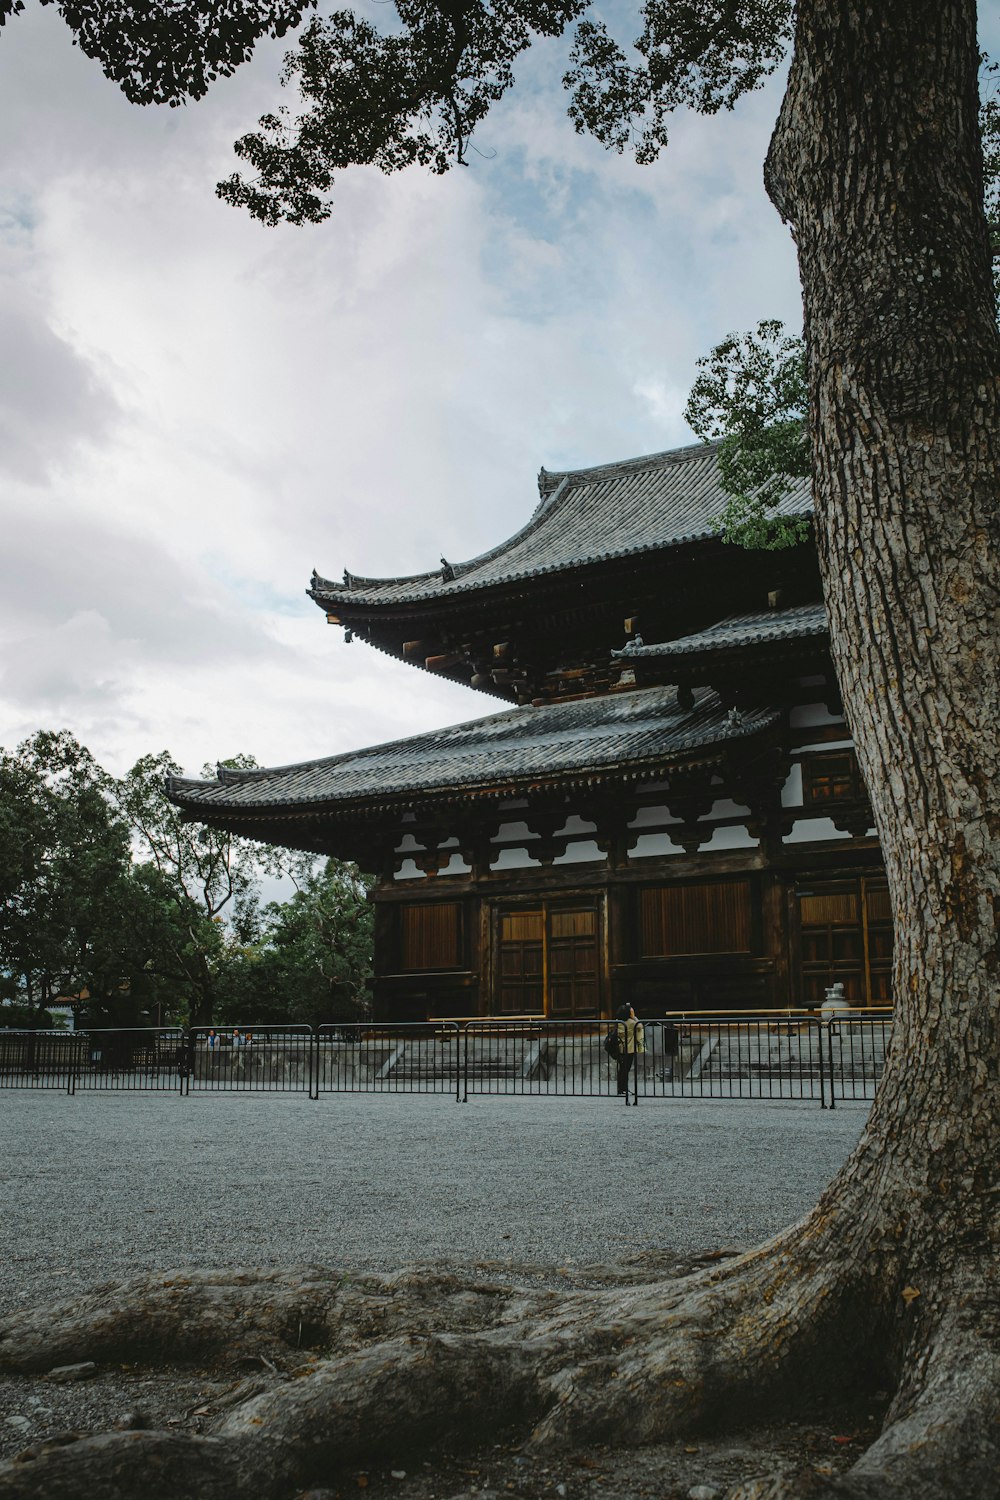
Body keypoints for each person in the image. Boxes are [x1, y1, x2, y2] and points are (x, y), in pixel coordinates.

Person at [615, 1003, 645, 1104]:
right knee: (626, 1068)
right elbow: (640, 1026)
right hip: (629, 1048)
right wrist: (634, 1017)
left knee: (622, 1068)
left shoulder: (618, 1022)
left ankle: (621, 1088)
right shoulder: (631, 1022)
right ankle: (623, 1088)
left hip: (620, 1047)